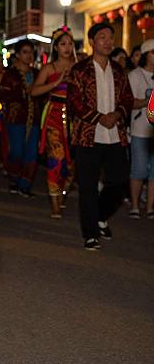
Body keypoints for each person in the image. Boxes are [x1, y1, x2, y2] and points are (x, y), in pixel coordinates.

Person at [67, 23, 133, 251]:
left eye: (110, 37)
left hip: (115, 135)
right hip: (88, 136)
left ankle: (100, 215)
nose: (107, 41)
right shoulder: (80, 70)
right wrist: (97, 117)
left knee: (119, 180)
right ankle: (91, 233)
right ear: (92, 42)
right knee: (87, 186)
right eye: (102, 37)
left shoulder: (118, 69)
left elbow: (127, 98)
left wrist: (117, 113)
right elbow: (75, 101)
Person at [32, 27, 76, 218]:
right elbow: (33, 91)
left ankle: (62, 194)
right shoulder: (49, 68)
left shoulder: (80, 65)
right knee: (56, 160)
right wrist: (56, 83)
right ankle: (55, 204)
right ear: (56, 47)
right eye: (63, 44)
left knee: (73, 164)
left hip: (76, 119)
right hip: (53, 118)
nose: (67, 47)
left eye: (70, 44)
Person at [0, 40, 40, 197]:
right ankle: (14, 179)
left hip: (34, 118)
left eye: (30, 52)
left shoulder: (37, 74)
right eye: (25, 52)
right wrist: (23, 93)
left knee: (32, 153)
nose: (29, 55)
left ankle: (25, 186)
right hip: (15, 118)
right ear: (17, 54)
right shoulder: (10, 75)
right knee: (17, 151)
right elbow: (4, 95)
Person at [127, 39, 154, 219]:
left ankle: (150, 207)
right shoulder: (135, 75)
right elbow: (129, 102)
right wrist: (148, 101)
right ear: (146, 55)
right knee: (138, 170)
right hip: (140, 129)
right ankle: (135, 205)